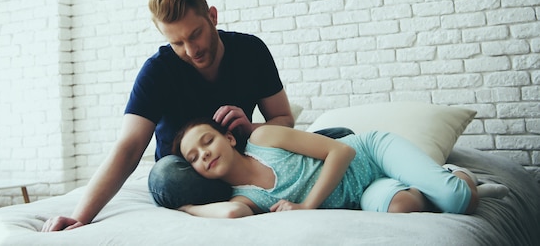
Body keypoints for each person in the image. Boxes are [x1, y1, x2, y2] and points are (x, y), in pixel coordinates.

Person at [42, 0, 352, 231]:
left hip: (246, 164)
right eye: (177, 43)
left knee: (339, 136)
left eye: (196, 35)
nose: (191, 51)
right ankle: (251, 200)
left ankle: (255, 197)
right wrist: (81, 216)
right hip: (194, 177)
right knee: (166, 176)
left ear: (212, 17)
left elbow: (284, 118)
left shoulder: (251, 51)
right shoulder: (157, 72)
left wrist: (252, 127)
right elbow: (129, 147)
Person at [173, 117, 509, 218]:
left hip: (371, 154)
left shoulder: (263, 138)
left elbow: (339, 151)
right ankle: (421, 186)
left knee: (458, 202)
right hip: (363, 191)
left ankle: (457, 177)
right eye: (193, 158)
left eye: (207, 141)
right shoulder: (245, 198)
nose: (203, 154)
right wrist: (189, 209)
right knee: (402, 206)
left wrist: (306, 206)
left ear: (229, 138)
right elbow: (231, 215)